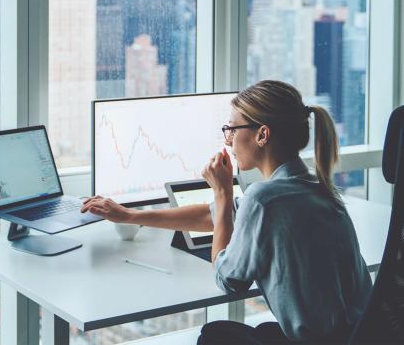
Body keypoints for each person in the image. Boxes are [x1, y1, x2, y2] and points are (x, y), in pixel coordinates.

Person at [81, 80, 372, 344]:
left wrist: (222, 192)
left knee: (213, 336)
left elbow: (228, 281)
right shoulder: (313, 186)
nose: (228, 139)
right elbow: (213, 215)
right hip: (353, 336)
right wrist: (131, 216)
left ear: (262, 135)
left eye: (232, 129)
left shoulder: (264, 199)